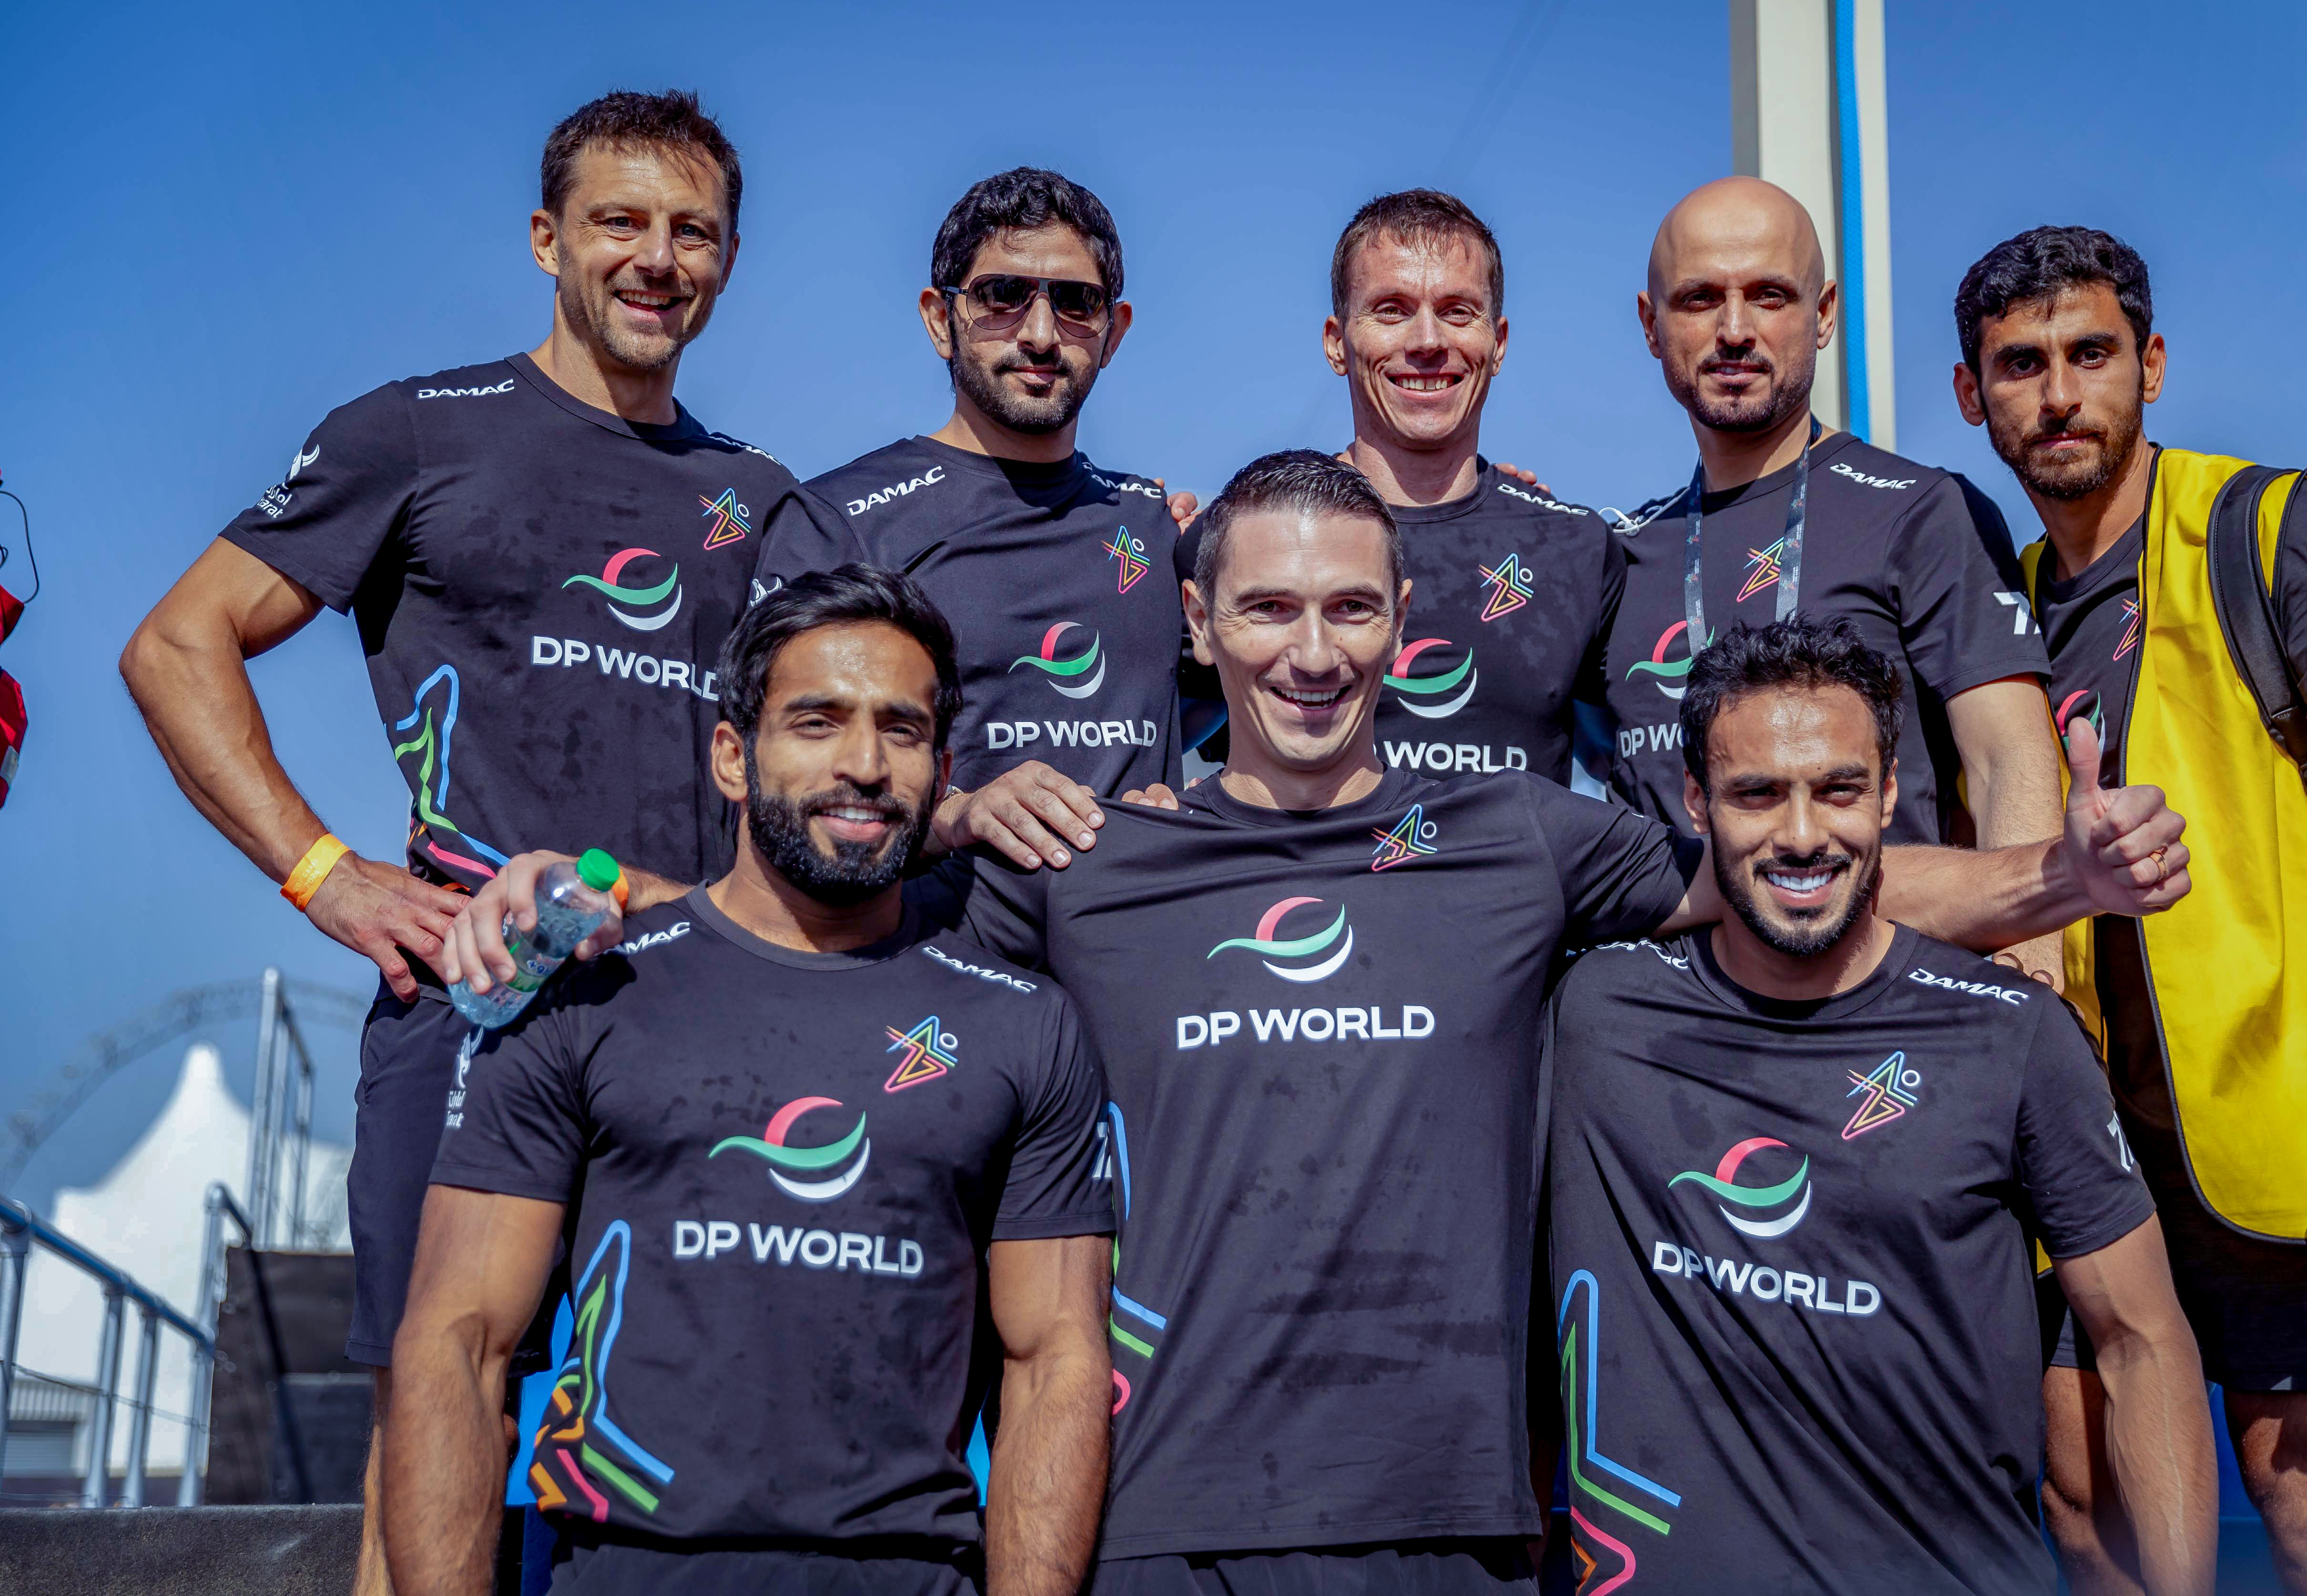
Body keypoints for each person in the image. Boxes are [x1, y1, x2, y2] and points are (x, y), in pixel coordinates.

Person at [918, 450, 2188, 1594]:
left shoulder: (1515, 834)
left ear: (1401, 617)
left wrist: (2059, 877)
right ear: (1198, 621)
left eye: (1351, 608)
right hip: (1164, 1521)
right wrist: (950, 814)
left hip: (1454, 1527)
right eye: (1268, 609)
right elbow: (858, 968)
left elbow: (1793, 871)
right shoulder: (1087, 859)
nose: (1312, 652)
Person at [117, 90, 793, 1593]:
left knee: (689, 1444)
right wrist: (325, 873)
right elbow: (177, 644)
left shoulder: (764, 500)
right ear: (549, 238)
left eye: (693, 231)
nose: (658, 257)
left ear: (729, 261)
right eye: (621, 221)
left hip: (691, 1019)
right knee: (439, 1431)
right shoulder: (420, 431)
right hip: (473, 1004)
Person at [1950, 225, 2307, 1596]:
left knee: (2304, 1500)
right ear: (1970, 394)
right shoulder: (2003, 609)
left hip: (2296, 1112)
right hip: (2085, 1131)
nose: (2058, 394)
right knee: (2081, 1492)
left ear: (2149, 364)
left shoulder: (2272, 528)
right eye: (2019, 365)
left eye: (2090, 354)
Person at [387, 567, 1114, 1596]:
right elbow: (457, 1346)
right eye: (817, 722)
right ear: (733, 756)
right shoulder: (586, 991)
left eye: (902, 730)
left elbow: (1055, 1368)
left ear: (942, 768)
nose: (864, 763)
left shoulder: (1022, 1024)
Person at [1543, 617, 2216, 1596]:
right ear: (1695, 801)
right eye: (1757, 793)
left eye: (1839, 789)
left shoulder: (2014, 1035)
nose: (1802, 834)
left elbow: (2141, 1342)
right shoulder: (1595, 1014)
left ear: (1890, 793)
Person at [1603, 178, 2062, 977]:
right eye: (1700, 299)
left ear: (1822, 314)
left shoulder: (1922, 510)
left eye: (1769, 296)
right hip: (1668, 1024)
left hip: (1878, 1009)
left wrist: (2036, 986)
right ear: (1651, 324)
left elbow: (2007, 760)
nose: (1735, 330)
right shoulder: (1615, 554)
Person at [754, 168, 1183, 876]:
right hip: (923, 937)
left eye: (1076, 302)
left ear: (1114, 332)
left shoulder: (1159, 528)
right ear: (939, 319)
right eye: (1001, 296)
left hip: (1131, 939)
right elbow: (774, 783)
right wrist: (955, 815)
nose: (1041, 334)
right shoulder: (838, 523)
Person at [1179, 189, 1622, 784]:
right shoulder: (1239, 539)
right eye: (1391, 310)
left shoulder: (1577, 549)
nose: (1427, 342)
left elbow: (1641, 775)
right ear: (1337, 341)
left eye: (1458, 311)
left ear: (1498, 343)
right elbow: (1146, 746)